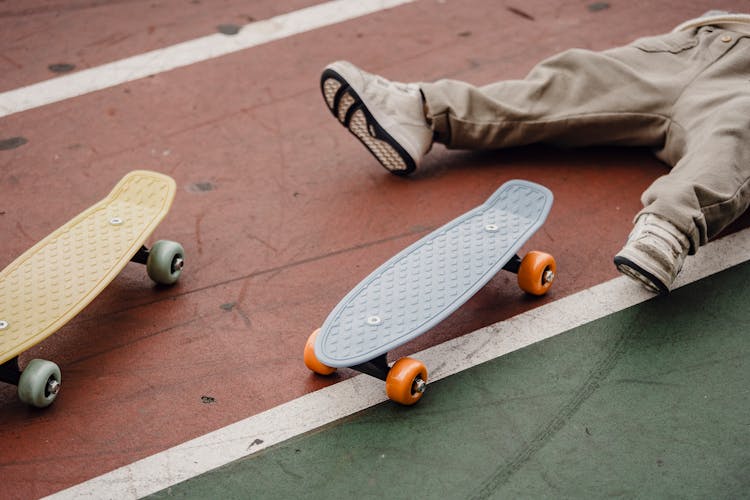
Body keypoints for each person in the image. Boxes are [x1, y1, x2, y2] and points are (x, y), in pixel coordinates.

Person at [319, 10, 750, 295]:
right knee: (571, 79)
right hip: (711, 38)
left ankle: (670, 225)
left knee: (734, 130)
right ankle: (420, 113)